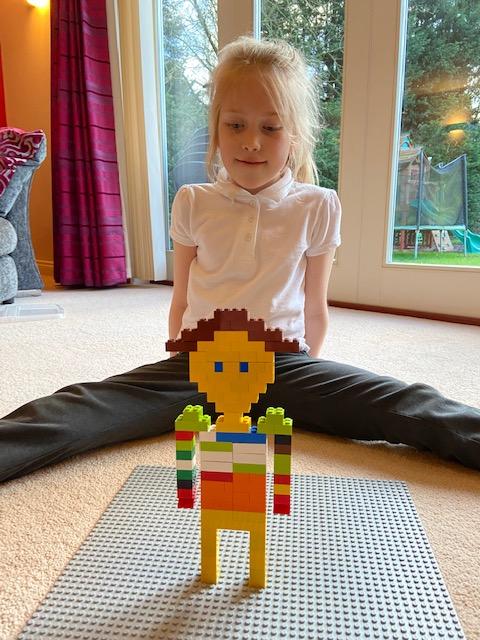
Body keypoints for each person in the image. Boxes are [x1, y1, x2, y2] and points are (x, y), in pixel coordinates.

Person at [0, 36, 478, 484]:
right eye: (235, 125)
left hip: (285, 365)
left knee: (407, 403)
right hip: (200, 361)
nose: (251, 141)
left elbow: (315, 305)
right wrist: (181, 365)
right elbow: (182, 296)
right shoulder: (192, 201)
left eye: (270, 127)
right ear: (217, 129)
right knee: (84, 406)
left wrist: (309, 373)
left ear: (295, 136)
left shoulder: (318, 205)